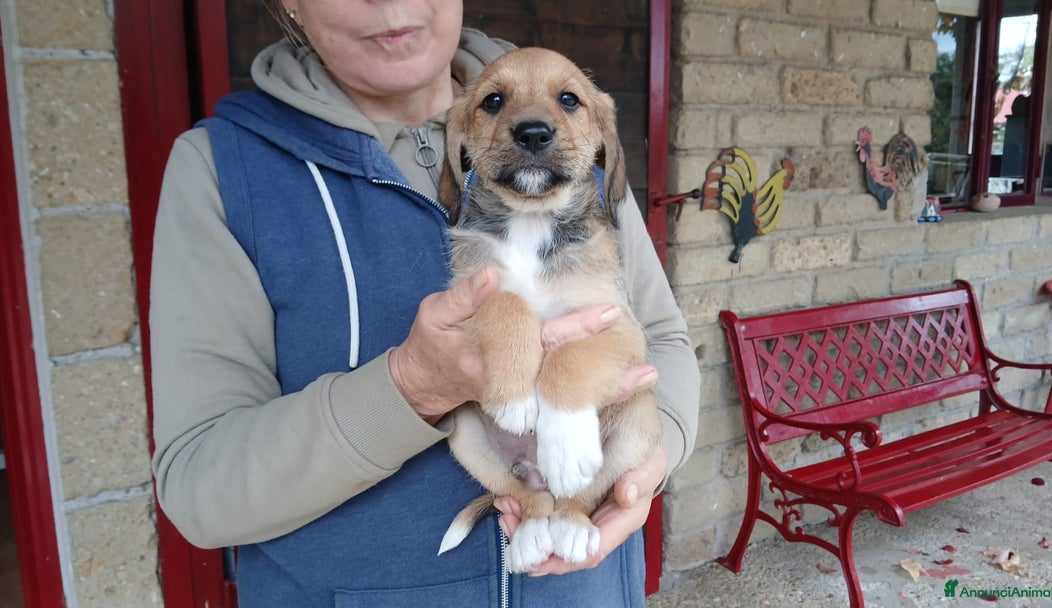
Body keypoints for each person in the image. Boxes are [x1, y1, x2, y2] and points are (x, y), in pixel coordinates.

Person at [149, 2, 700, 606]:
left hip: (582, 581)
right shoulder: (224, 170)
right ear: (292, 6)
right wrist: (411, 388)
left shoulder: (570, 140)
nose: (389, 4)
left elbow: (663, 343)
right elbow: (198, 487)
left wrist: (645, 465)